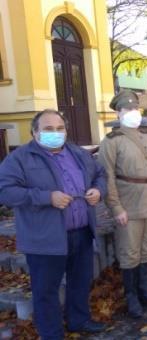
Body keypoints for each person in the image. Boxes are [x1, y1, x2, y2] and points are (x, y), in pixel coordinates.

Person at [0, 110, 107, 339]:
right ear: (35, 132)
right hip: (45, 238)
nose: (55, 133)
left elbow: (101, 174)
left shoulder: (77, 153)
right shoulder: (20, 158)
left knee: (80, 281)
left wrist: (99, 191)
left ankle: (78, 320)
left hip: (81, 232)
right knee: (46, 291)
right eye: (48, 129)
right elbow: (6, 192)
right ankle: (52, 334)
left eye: (60, 128)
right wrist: (47, 198)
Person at [98, 90, 147, 318]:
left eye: (136, 109)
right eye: (127, 109)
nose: (133, 113)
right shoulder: (112, 142)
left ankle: (145, 291)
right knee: (129, 252)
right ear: (119, 113)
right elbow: (107, 177)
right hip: (129, 206)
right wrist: (116, 207)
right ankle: (131, 297)